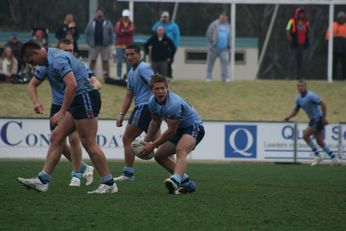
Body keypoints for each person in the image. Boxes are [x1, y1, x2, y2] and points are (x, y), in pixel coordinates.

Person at [17, 41, 117, 193]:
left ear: (36, 53)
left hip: (85, 97)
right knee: (57, 136)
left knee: (88, 142)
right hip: (77, 100)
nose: (33, 65)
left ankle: (109, 182)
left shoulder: (57, 59)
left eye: (32, 61)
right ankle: (43, 181)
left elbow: (72, 85)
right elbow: (35, 84)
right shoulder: (49, 60)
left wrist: (62, 112)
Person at [26, 39, 99, 187]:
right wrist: (36, 102)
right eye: (65, 50)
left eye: (70, 50)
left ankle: (76, 174)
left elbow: (96, 83)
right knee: (57, 139)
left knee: (73, 139)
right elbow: (32, 84)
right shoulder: (48, 63)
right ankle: (84, 168)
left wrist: (88, 92)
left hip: (75, 103)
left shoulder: (76, 64)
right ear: (58, 50)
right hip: (58, 106)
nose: (68, 53)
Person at [140, 74, 205, 194]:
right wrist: (147, 140)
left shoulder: (173, 104)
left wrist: (152, 145)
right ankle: (187, 183)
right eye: (157, 89)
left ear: (167, 88)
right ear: (151, 90)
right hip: (179, 129)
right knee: (159, 156)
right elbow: (155, 122)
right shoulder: (151, 102)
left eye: (162, 88)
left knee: (181, 149)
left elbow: (171, 131)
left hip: (194, 127)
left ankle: (175, 180)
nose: (160, 91)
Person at [114, 44, 160, 182]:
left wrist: (160, 105)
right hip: (149, 109)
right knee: (160, 143)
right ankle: (177, 173)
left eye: (132, 54)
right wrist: (122, 114)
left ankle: (128, 174)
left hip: (144, 107)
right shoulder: (131, 72)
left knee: (127, 139)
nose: (129, 57)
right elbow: (129, 95)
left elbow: (156, 84)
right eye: (127, 54)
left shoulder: (143, 68)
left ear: (139, 55)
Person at [284, 80, 340, 166]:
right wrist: (289, 117)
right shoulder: (298, 99)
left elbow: (323, 104)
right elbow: (296, 110)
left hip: (317, 118)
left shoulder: (311, 95)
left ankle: (318, 156)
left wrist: (324, 118)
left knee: (305, 136)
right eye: (298, 86)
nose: (300, 88)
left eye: (302, 86)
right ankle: (334, 158)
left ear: (305, 87)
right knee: (320, 142)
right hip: (314, 119)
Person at [84, 9, 114, 80]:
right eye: (98, 13)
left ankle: (106, 76)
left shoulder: (107, 22)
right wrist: (89, 42)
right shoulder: (91, 22)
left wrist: (110, 42)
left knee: (105, 61)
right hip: (94, 45)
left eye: (101, 13)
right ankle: (90, 75)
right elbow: (86, 33)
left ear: (103, 14)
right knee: (93, 60)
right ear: (96, 14)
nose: (99, 14)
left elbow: (111, 33)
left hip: (105, 45)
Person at [151, 11, 180, 80]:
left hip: (171, 46)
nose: (165, 18)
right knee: (161, 62)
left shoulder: (174, 25)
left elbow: (177, 36)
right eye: (164, 17)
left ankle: (169, 76)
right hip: (163, 47)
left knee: (169, 61)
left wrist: (176, 45)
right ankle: (160, 77)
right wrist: (159, 21)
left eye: (166, 17)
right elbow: (153, 29)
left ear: (168, 17)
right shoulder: (159, 24)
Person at [205, 12, 231, 82]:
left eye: (225, 17)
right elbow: (208, 34)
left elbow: (229, 36)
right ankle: (208, 77)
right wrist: (212, 43)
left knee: (225, 62)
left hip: (224, 49)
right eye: (222, 17)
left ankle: (225, 78)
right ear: (220, 17)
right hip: (214, 48)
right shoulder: (214, 24)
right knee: (210, 63)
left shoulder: (228, 26)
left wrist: (229, 45)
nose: (224, 18)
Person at [286, 8, 310, 80]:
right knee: (293, 60)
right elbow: (287, 30)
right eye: (300, 13)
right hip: (294, 44)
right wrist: (291, 40)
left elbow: (307, 33)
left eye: (303, 13)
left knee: (300, 61)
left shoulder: (306, 22)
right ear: (297, 14)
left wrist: (306, 42)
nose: (301, 15)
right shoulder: (291, 21)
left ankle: (299, 76)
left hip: (302, 44)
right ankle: (290, 76)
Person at [114, 9, 135, 80]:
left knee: (129, 61)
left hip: (128, 46)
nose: (126, 17)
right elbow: (117, 32)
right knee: (119, 61)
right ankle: (118, 76)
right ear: (122, 16)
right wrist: (126, 32)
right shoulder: (118, 23)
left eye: (127, 16)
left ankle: (128, 77)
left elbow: (131, 31)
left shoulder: (131, 23)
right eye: (124, 16)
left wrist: (123, 31)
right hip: (119, 45)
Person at [325, 11, 346, 80]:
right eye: (340, 18)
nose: (341, 19)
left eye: (343, 18)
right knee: (333, 64)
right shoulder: (333, 25)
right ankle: (332, 77)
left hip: (344, 48)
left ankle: (344, 78)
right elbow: (328, 37)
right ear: (338, 18)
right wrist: (328, 46)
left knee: (344, 64)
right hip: (334, 48)